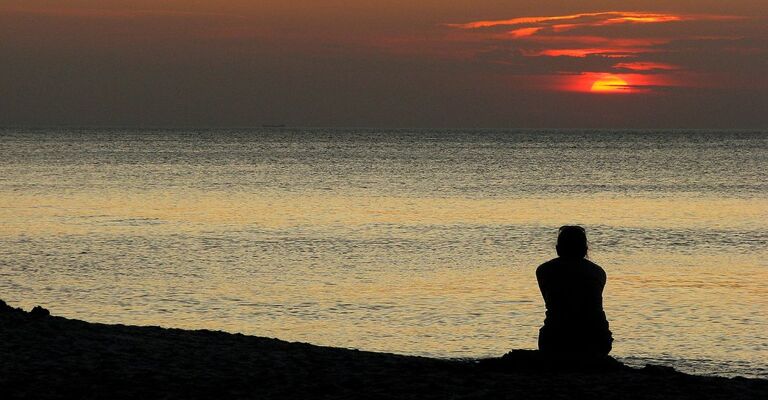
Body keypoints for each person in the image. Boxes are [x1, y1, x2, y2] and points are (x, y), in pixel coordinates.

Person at [536, 226, 613, 357]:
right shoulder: (598, 272)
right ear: (585, 250)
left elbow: (552, 302)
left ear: (558, 249)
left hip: (555, 339)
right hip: (597, 340)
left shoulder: (544, 270)